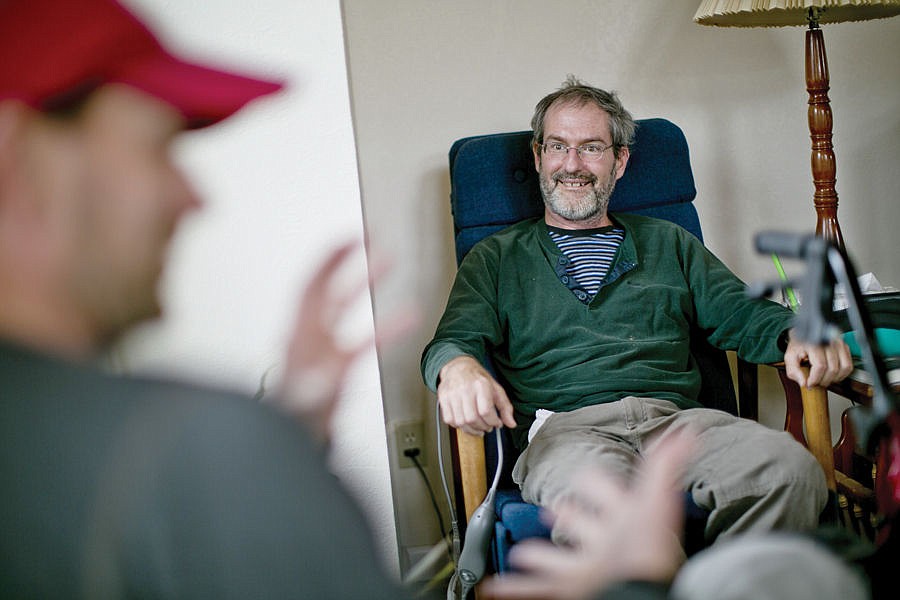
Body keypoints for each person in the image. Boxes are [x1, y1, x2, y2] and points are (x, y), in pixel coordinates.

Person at [0, 0, 414, 597]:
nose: (191, 197)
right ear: (17, 161)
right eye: (155, 148)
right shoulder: (197, 448)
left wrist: (285, 439)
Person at [421, 76, 854, 545]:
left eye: (591, 148)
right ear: (537, 156)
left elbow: (742, 312)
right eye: (557, 147)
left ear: (619, 160)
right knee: (612, 513)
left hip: (678, 421)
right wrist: (458, 366)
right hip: (568, 433)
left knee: (790, 473)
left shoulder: (668, 242)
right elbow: (451, 340)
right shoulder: (496, 257)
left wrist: (798, 332)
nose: (572, 164)